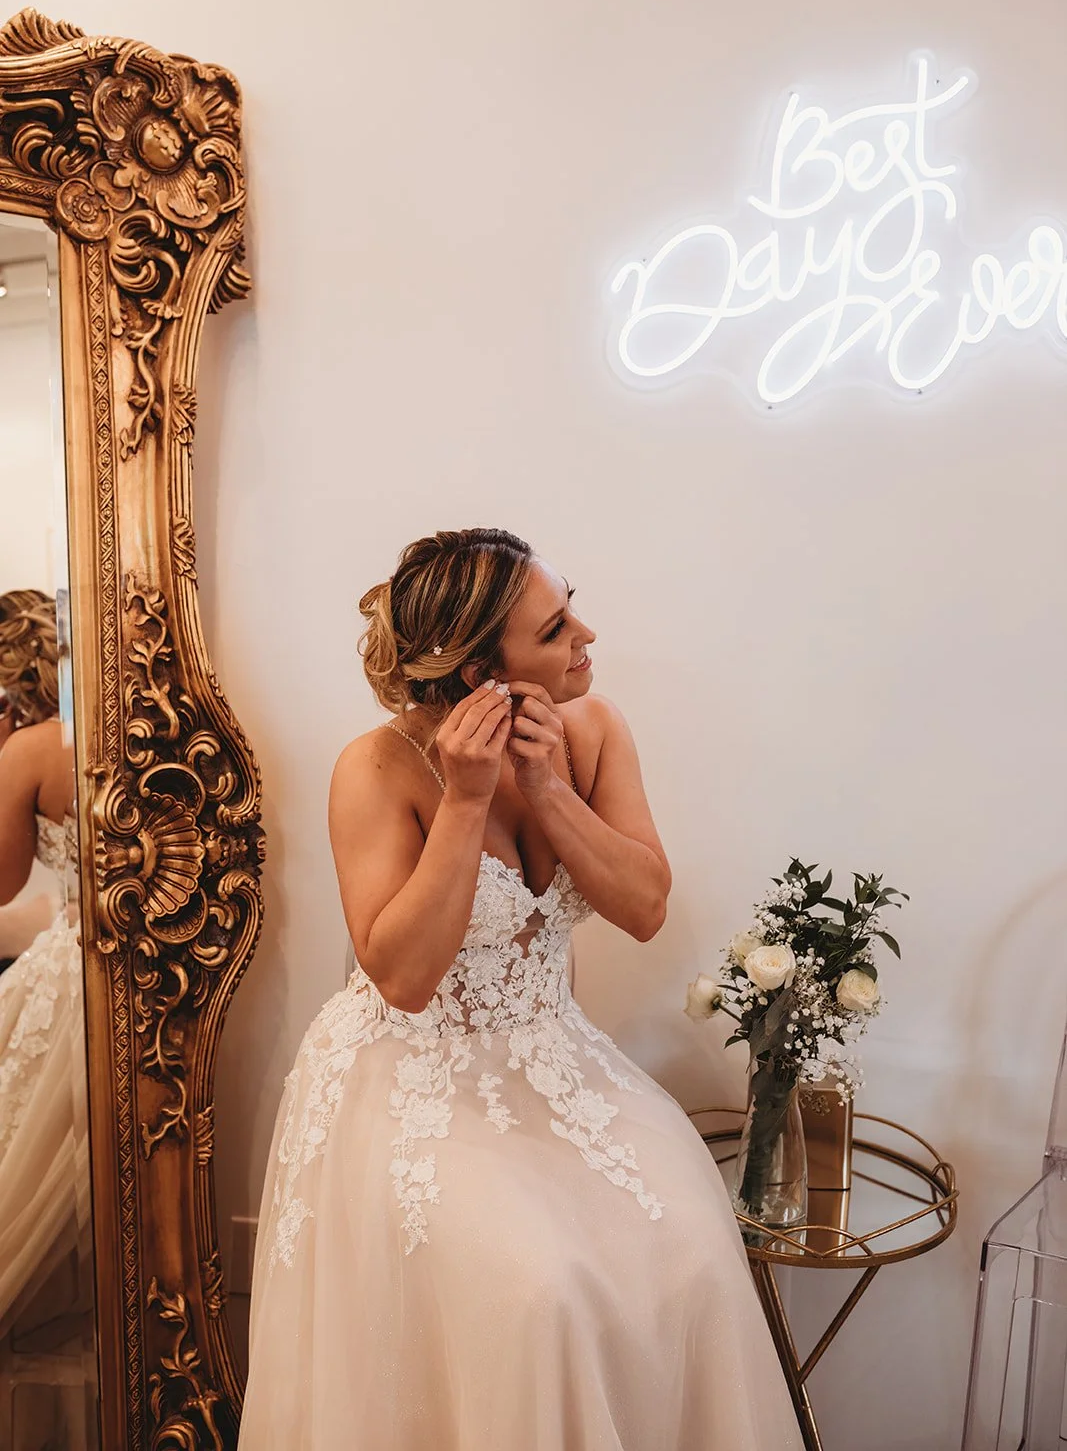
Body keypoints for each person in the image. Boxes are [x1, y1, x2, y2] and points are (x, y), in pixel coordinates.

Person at [240, 528, 804, 1450]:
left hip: (555, 1057)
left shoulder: (591, 730)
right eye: (555, 626)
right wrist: (464, 801)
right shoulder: (375, 769)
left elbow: (644, 905)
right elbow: (405, 978)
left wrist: (546, 787)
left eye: (569, 604)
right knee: (542, 1291)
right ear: (475, 673)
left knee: (696, 1256)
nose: (585, 633)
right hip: (413, 1077)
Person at [0, 588, 89, 1323]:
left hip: (66, 966)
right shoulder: (135, 734)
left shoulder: (28, 751)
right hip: (143, 970)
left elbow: (1, 881)